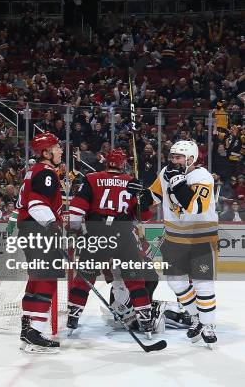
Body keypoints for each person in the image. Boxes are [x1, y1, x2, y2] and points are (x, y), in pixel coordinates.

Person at [134, 140, 219, 349]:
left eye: (178, 157)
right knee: (176, 283)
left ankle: (208, 325)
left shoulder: (202, 177)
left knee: (202, 284)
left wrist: (179, 183)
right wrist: (137, 191)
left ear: (191, 158)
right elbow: (152, 197)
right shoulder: (166, 172)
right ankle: (196, 318)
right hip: (173, 238)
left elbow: (196, 207)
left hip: (200, 238)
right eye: (172, 156)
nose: (174, 160)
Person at [67, 149, 156, 338]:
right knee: (135, 279)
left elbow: (76, 208)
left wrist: (75, 230)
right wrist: (142, 199)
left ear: (107, 163)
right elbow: (145, 217)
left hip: (97, 234)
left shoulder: (91, 178)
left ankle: (73, 316)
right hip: (123, 235)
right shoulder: (132, 182)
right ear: (123, 164)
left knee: (84, 277)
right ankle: (145, 320)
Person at [17, 132, 64, 354]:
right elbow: (37, 204)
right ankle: (35, 329)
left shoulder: (32, 171)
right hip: (39, 229)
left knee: (36, 278)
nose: (60, 150)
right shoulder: (46, 172)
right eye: (56, 147)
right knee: (47, 277)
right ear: (46, 153)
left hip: (28, 230)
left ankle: (27, 328)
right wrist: (53, 229)